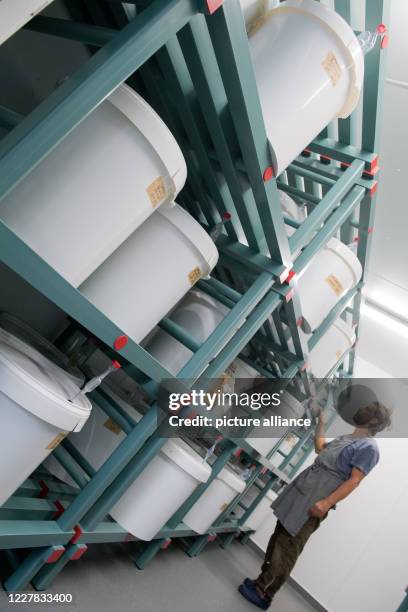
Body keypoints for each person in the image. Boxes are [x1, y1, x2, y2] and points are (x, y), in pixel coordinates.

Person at [238, 401, 392, 610]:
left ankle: (263, 593)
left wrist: (327, 503)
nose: (360, 410)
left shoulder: (369, 447)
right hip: (305, 490)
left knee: (288, 546)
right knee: (279, 537)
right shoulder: (348, 438)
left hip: (316, 498)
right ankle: (260, 581)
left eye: (367, 410)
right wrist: (321, 423)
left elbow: (354, 480)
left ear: (373, 421)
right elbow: (320, 449)